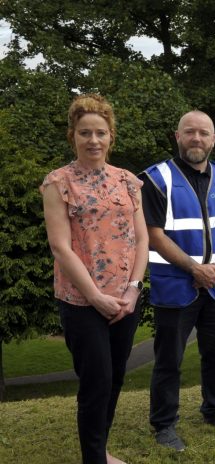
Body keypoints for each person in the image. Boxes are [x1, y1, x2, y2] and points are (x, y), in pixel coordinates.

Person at [41, 94, 148, 464]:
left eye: (100, 132)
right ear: (72, 135)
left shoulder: (128, 181)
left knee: (115, 378)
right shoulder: (58, 183)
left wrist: (133, 289)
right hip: (81, 301)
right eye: (84, 132)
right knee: (96, 382)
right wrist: (95, 296)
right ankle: (94, 460)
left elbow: (142, 238)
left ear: (111, 136)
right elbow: (60, 248)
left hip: (125, 300)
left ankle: (100, 449)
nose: (93, 140)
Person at [140, 110, 215, 451]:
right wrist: (194, 269)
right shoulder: (156, 179)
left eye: (203, 133)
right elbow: (154, 234)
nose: (196, 138)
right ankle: (164, 424)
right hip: (175, 285)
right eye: (190, 132)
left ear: (213, 139)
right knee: (169, 360)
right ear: (177, 136)